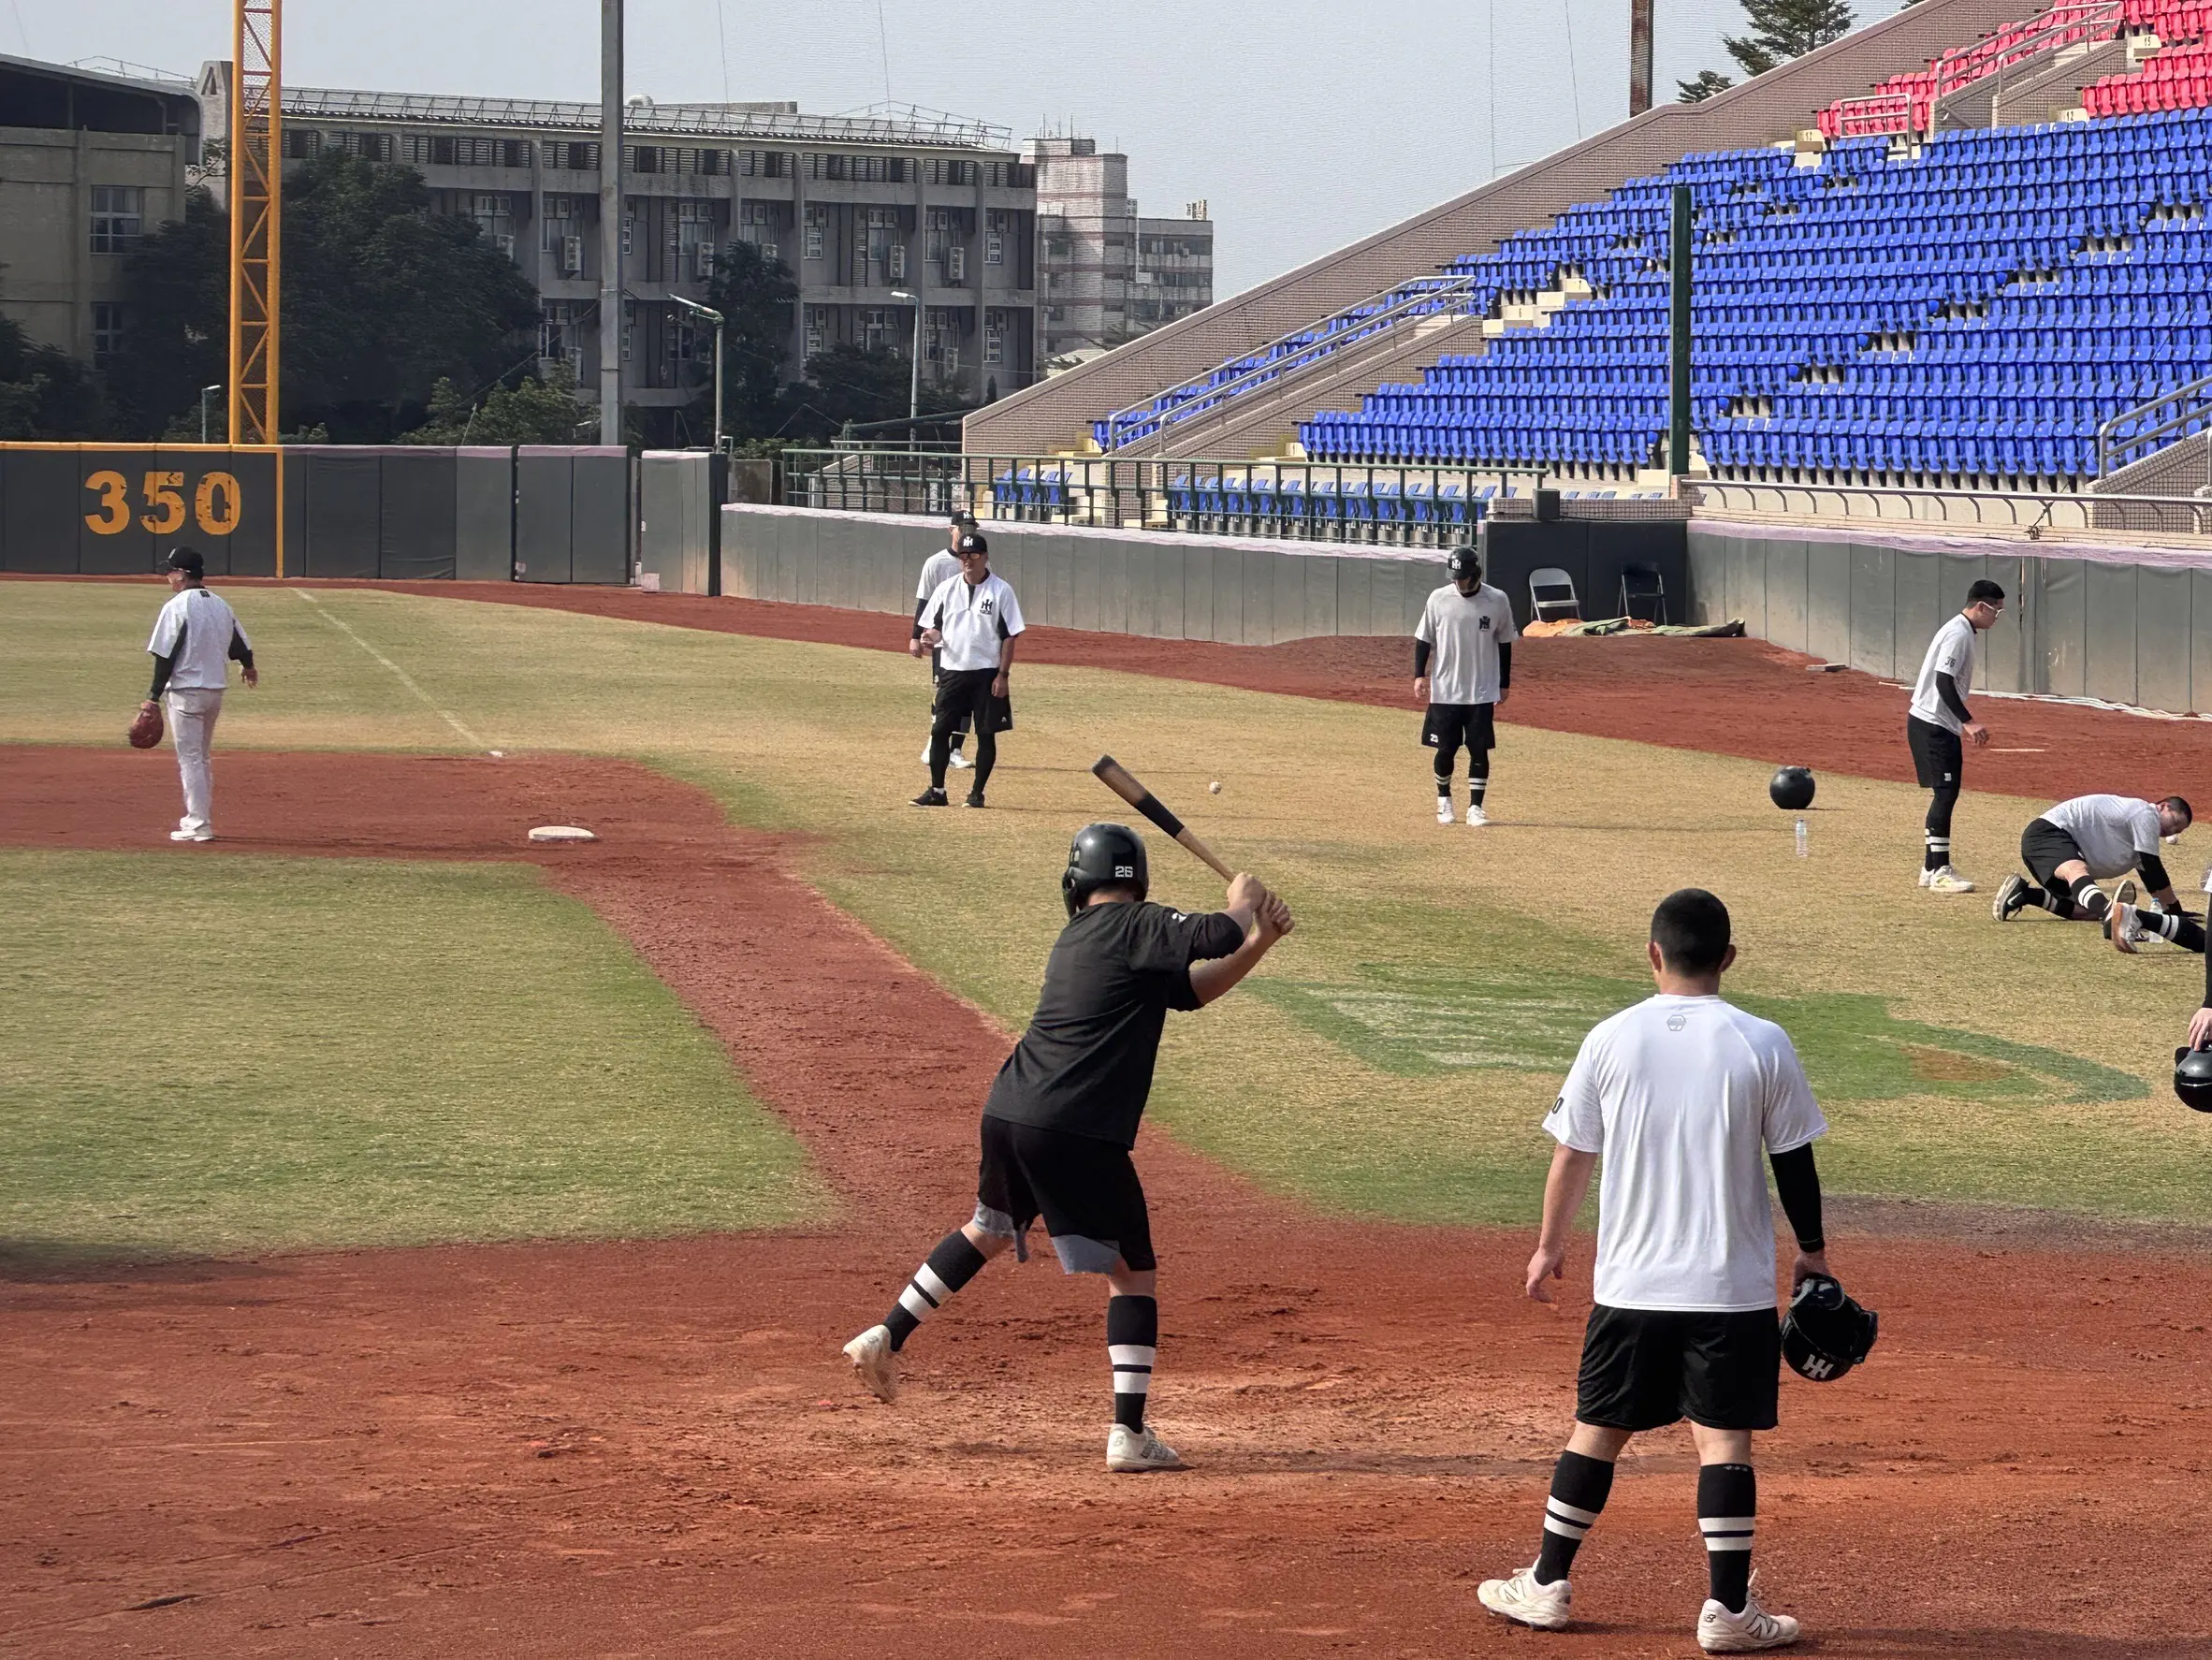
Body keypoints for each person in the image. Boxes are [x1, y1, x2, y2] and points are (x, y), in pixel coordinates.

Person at [841, 824, 1293, 1471]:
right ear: (1135, 880)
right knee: (1131, 1269)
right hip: (1074, 1125)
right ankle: (1129, 1435)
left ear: (1077, 883)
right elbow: (1212, 933)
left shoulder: (1088, 937)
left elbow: (1190, 992)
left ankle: (887, 1333)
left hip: (1011, 1109)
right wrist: (1242, 900)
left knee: (987, 1229)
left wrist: (1263, 940)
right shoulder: (1135, 924)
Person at [1478, 888, 1830, 1653]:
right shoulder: (1761, 1041)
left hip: (1630, 1285)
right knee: (1725, 1442)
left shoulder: (1611, 1038)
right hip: (1729, 1290)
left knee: (1597, 1431)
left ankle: (1545, 1585)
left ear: (1652, 954)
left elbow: (1573, 1151)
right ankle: (1729, 1613)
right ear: (1728, 960)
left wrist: (1549, 1246)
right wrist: (1813, 1251)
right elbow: (1793, 1158)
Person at [141, 546, 257, 842]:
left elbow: (165, 656)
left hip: (186, 693)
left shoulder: (177, 606)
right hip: (215, 691)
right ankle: (200, 818)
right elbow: (239, 643)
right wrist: (248, 667)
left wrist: (152, 697)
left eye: (171, 570)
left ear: (182, 574)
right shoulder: (220, 604)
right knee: (201, 757)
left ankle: (198, 824)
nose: (167, 575)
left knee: (190, 758)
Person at [1991, 793, 2197, 954]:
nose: (2173, 831)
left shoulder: (2138, 838)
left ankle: (2024, 894)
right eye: (2175, 823)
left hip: (2050, 847)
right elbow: (2153, 867)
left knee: (2086, 911)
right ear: (2163, 806)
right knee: (2076, 870)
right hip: (2050, 833)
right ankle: (2110, 914)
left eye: (2178, 831)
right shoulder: (2146, 813)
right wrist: (2176, 913)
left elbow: (2150, 876)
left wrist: (2171, 910)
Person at [1907, 580, 2005, 895]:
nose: (1996, 618)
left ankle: (1930, 866)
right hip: (1933, 724)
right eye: (1996, 611)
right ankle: (1940, 871)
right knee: (1945, 793)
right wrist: (1970, 722)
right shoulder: (1958, 633)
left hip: (1932, 723)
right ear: (1981, 607)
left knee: (1945, 793)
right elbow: (1943, 682)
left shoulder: (1962, 630)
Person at [912, 531, 1023, 808]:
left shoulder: (1001, 591)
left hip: (986, 673)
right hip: (952, 671)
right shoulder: (946, 589)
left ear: (985, 558)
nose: (968, 561)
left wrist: (1003, 675)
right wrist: (930, 637)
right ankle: (937, 791)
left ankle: (977, 794)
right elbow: (934, 628)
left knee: (986, 734)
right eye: (964, 556)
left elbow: (1010, 635)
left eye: (974, 555)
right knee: (940, 732)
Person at [1413, 545, 1518, 826]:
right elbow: (1424, 639)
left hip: (1481, 689)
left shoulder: (1497, 600)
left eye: (1462, 577)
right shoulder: (1438, 599)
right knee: (1445, 748)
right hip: (1445, 689)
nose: (1458, 582)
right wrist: (1419, 675)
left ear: (1475, 574)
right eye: (1454, 577)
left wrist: (1504, 683)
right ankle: (1444, 800)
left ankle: (1475, 807)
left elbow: (1506, 642)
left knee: (1478, 748)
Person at [910, 512, 975, 774]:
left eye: (970, 528)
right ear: (952, 530)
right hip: (944, 642)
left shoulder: (978, 562)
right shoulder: (935, 563)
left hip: (971, 642)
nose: (967, 532)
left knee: (968, 698)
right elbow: (924, 603)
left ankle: (955, 749)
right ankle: (935, 743)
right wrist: (915, 636)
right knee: (945, 694)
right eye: (963, 528)